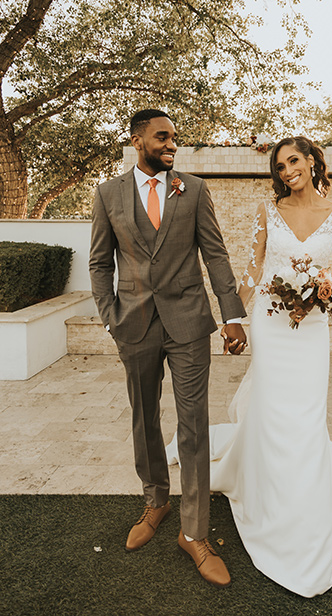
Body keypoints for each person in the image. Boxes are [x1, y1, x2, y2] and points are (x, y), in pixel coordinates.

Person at [169, 135, 332, 597]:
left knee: (307, 413)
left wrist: (325, 288)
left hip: (312, 328)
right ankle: (270, 496)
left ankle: (304, 505)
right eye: (280, 165)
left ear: (313, 161)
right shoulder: (267, 211)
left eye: (294, 160)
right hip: (272, 325)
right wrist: (235, 317)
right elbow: (254, 269)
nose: (287, 170)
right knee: (275, 409)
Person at [89, 109, 247, 588]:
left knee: (194, 422)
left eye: (174, 138)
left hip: (189, 323)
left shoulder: (193, 190)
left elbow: (214, 254)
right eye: (162, 137)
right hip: (133, 324)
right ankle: (156, 501)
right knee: (143, 417)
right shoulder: (107, 194)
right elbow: (99, 263)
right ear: (137, 140)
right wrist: (110, 317)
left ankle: (194, 532)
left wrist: (233, 315)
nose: (171, 144)